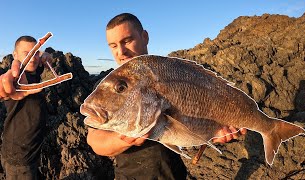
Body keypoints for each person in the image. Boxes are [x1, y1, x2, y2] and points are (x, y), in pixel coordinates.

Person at [86, 13, 247, 179]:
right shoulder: (105, 87)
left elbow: (196, 119)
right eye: (113, 46)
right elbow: (95, 141)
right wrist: (125, 140)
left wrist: (214, 132)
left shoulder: (175, 72)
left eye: (127, 41)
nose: (121, 52)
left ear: (144, 37)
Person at [0, 35, 52, 179]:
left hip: (33, 151)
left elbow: (45, 58)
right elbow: (5, 82)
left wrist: (47, 55)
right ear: (14, 55)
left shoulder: (34, 72)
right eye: (26, 53)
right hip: (19, 158)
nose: (32, 57)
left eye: (35, 52)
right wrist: (4, 87)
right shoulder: (15, 79)